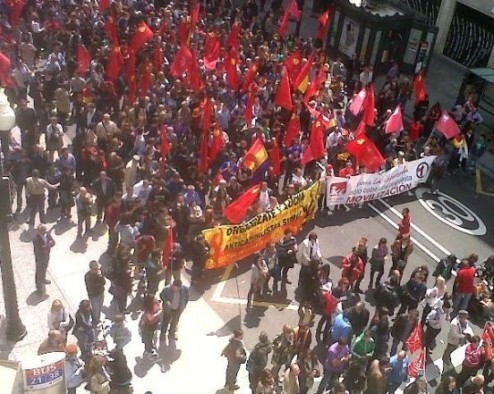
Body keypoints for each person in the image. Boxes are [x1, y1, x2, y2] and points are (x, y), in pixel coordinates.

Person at [33, 224, 55, 293]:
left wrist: (47, 246)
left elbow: (53, 242)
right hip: (40, 257)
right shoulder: (36, 238)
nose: (45, 232)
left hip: (46, 255)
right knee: (39, 271)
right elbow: (39, 249)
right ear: (39, 231)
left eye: (45, 231)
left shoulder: (47, 234)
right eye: (43, 231)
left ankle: (43, 279)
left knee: (44, 268)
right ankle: (38, 287)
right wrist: (48, 245)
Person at [140, 295, 162, 360]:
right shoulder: (147, 310)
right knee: (148, 338)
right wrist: (159, 313)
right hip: (148, 326)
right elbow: (150, 318)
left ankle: (150, 346)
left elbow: (159, 307)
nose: (155, 298)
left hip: (154, 324)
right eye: (154, 299)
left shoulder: (156, 303)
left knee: (151, 336)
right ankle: (148, 351)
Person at [84, 260, 106, 326]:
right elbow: (92, 286)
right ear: (90, 268)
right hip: (94, 295)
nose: (96, 270)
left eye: (97, 268)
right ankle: (95, 321)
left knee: (100, 307)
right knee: (96, 308)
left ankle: (97, 319)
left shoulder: (99, 274)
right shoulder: (88, 276)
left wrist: (101, 277)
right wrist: (98, 278)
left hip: (101, 293)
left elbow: (104, 283)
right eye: (94, 269)